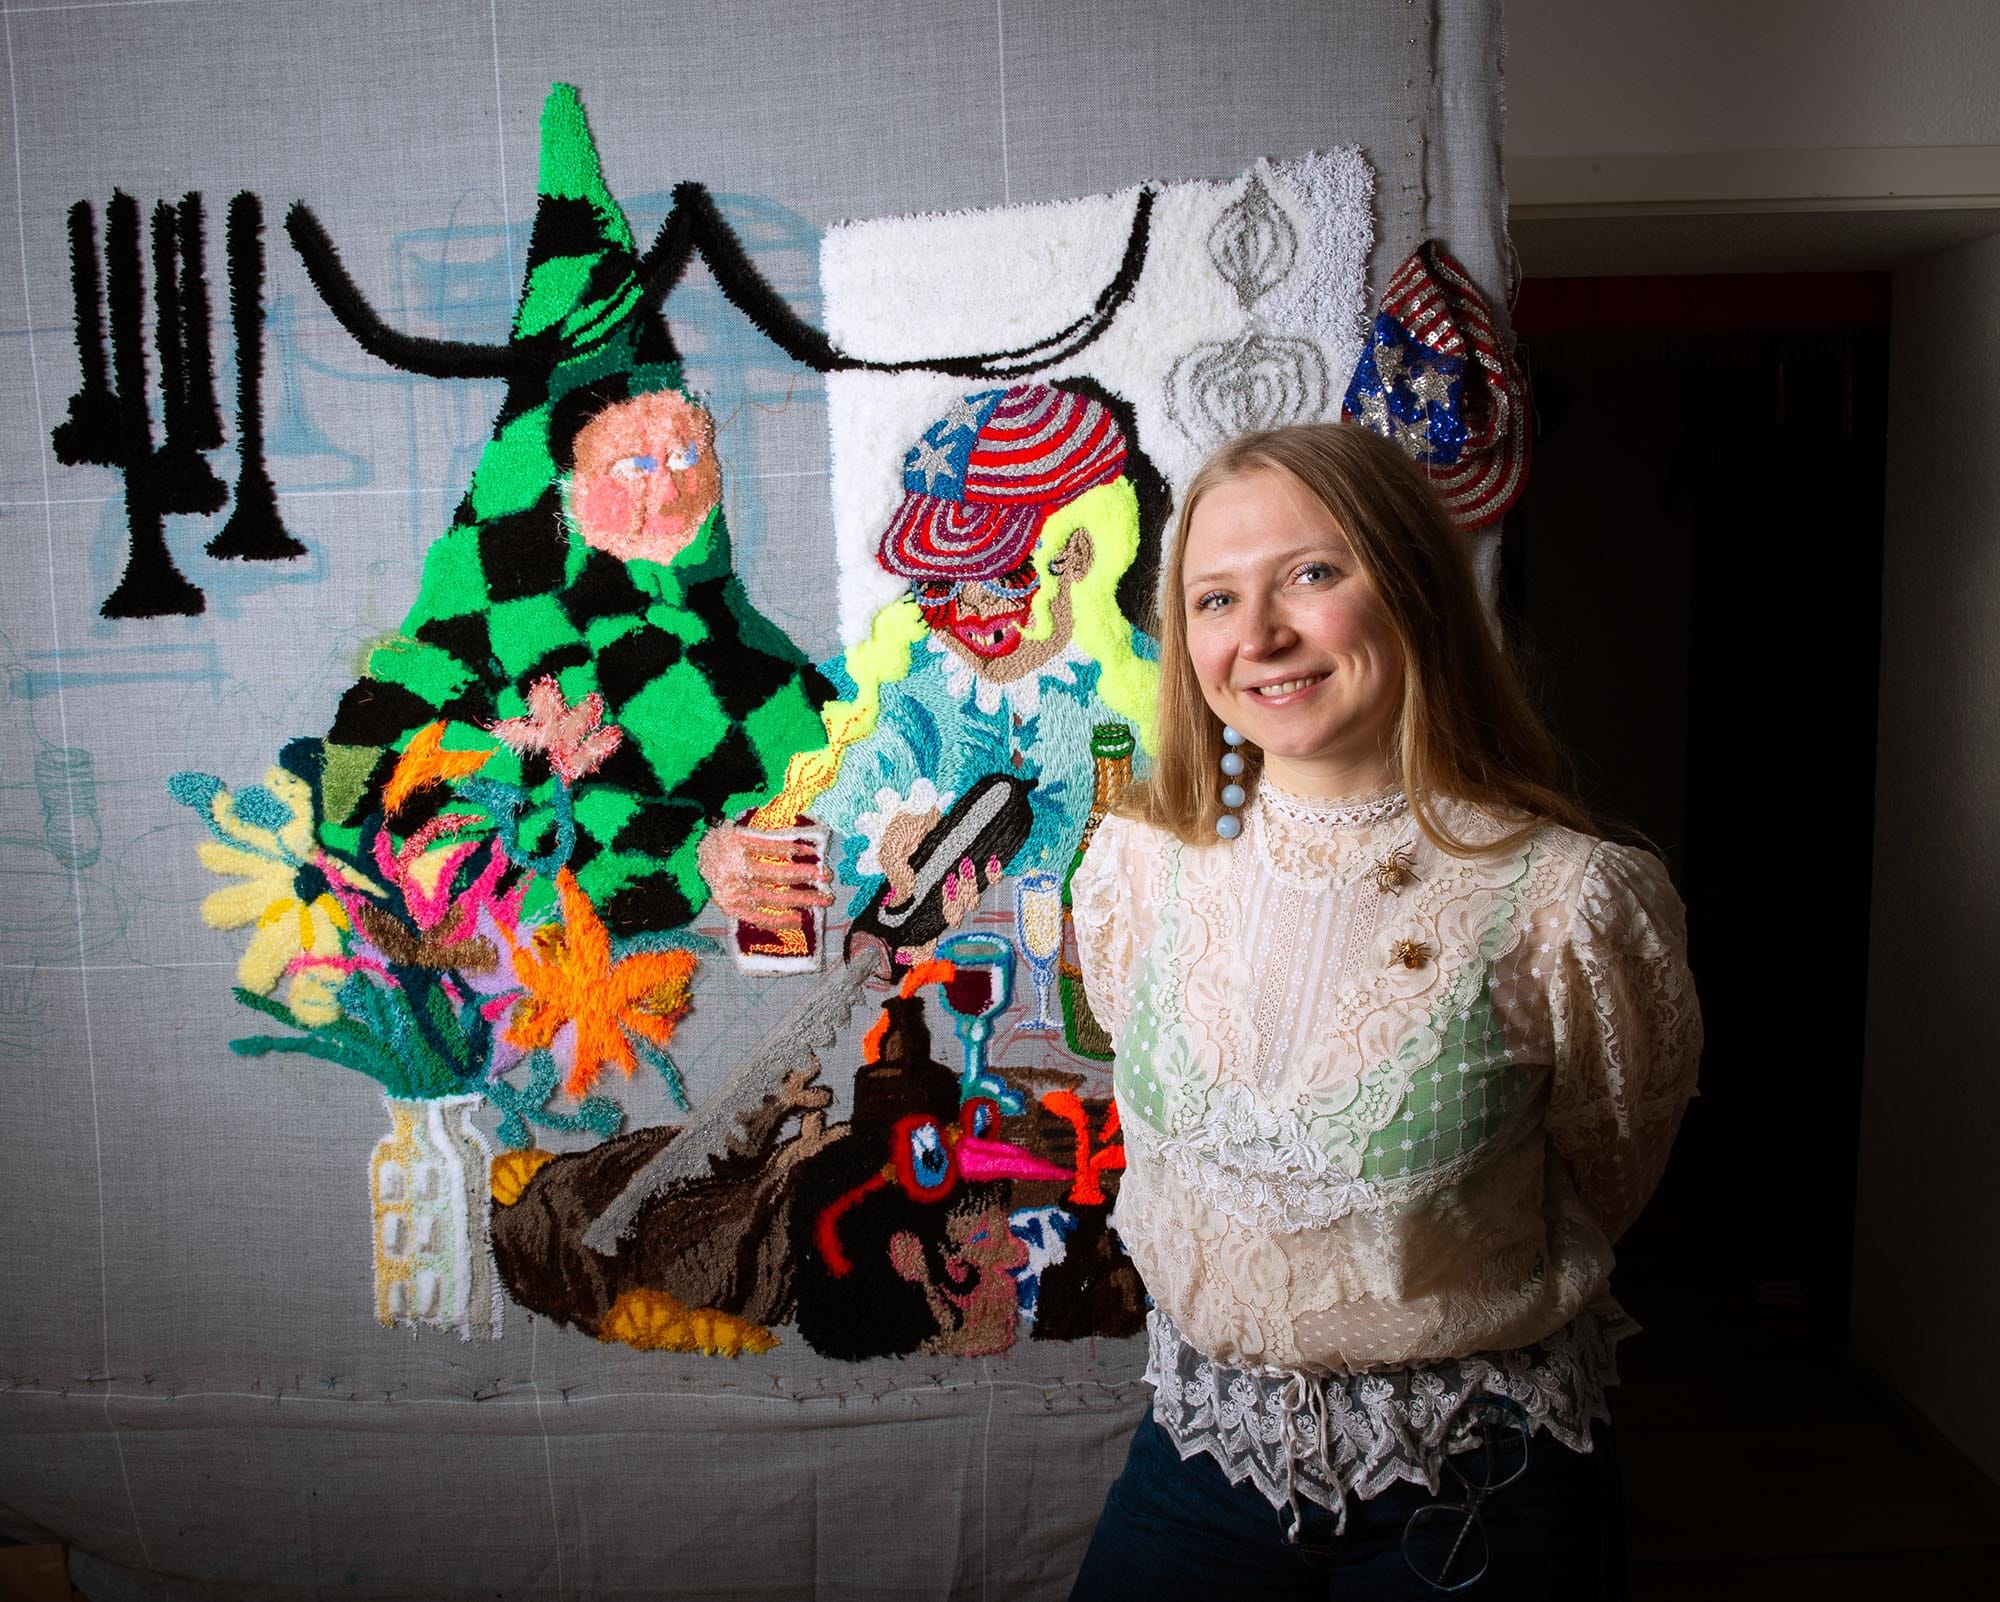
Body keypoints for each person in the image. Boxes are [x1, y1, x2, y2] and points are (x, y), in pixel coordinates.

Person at [1066, 422, 1700, 1600]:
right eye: (1213, 598)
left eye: (1310, 574)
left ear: (1410, 585)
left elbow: (1608, 1172)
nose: (1255, 637)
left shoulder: (1566, 900)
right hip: (1200, 1467)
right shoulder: (1133, 866)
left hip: (1477, 1494)